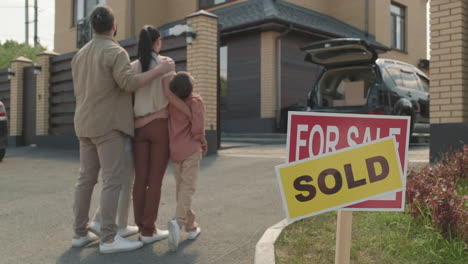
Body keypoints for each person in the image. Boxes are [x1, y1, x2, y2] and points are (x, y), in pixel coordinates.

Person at [70, 6, 175, 254]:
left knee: (85, 180)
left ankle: (79, 233)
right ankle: (108, 238)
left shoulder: (79, 55)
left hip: (83, 123)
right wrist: (159, 70)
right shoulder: (114, 51)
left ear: (92, 28)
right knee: (113, 180)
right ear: (114, 27)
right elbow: (127, 83)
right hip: (108, 125)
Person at [131, 25, 192, 244]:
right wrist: (190, 112)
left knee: (140, 179)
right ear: (157, 42)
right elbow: (169, 94)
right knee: (154, 180)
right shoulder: (165, 64)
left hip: (138, 127)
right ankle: (149, 231)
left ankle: (140, 226)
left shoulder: (132, 67)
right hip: (159, 126)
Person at [165, 72, 207, 251]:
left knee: (181, 189)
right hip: (190, 150)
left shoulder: (171, 104)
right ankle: (178, 222)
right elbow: (197, 127)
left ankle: (191, 226)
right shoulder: (195, 101)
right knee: (188, 189)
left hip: (175, 152)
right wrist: (203, 140)